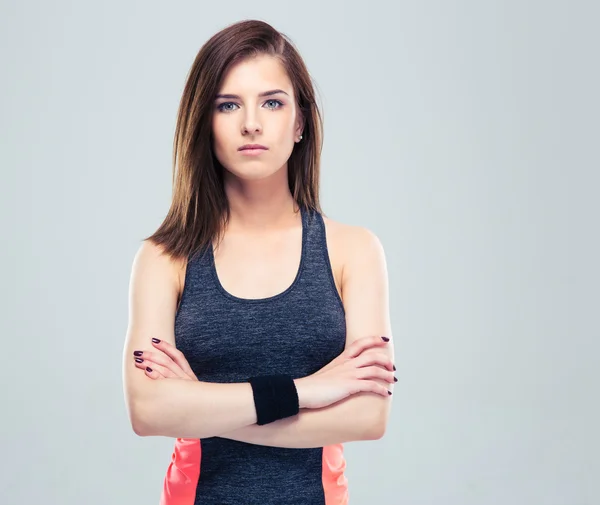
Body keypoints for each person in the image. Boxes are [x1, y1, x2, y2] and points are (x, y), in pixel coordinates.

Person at [122, 19, 396, 505]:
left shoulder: (353, 250)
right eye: (228, 105)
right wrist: (309, 391)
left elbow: (367, 417)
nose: (251, 122)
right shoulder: (165, 257)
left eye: (272, 102)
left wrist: (202, 408)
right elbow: (148, 411)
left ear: (300, 123)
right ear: (204, 122)